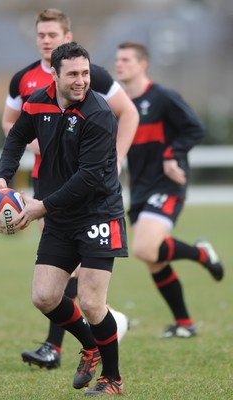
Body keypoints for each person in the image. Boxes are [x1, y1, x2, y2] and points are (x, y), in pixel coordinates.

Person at [0, 42, 127, 396]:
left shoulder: (98, 114)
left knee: (93, 302)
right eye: (73, 74)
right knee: (45, 297)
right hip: (62, 216)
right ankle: (90, 346)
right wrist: (4, 177)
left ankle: (112, 378)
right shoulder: (37, 101)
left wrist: (40, 207)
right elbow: (16, 137)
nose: (82, 81)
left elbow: (90, 178)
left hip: (98, 212)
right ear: (55, 74)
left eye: (85, 73)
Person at [114, 41, 224, 338]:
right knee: (154, 259)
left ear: (142, 64)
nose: (119, 64)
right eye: (117, 59)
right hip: (139, 188)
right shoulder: (120, 103)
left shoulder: (162, 97)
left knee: (144, 249)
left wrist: (171, 154)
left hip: (167, 184)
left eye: (126, 59)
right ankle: (185, 324)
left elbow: (195, 128)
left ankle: (200, 254)